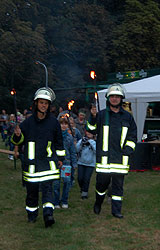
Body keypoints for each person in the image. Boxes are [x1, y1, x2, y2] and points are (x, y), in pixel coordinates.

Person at [11, 87, 65, 228]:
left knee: (48, 191)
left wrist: (60, 159)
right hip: (31, 165)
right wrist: (17, 136)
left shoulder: (53, 122)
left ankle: (48, 215)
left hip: (48, 164)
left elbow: (59, 142)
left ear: (49, 106)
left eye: (46, 103)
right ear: (36, 104)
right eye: (41, 103)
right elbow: (18, 140)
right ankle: (32, 215)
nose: (43, 105)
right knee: (32, 193)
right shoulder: (27, 123)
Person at [87, 83, 137, 219]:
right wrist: (92, 117)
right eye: (112, 96)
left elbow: (133, 135)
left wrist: (128, 149)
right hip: (104, 159)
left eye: (117, 96)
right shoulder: (102, 115)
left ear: (121, 99)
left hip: (120, 159)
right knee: (101, 185)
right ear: (108, 98)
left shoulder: (127, 117)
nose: (115, 99)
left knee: (118, 186)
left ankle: (116, 211)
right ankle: (98, 202)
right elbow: (91, 130)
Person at [53, 117, 77, 209]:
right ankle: (56, 201)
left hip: (66, 162)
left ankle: (64, 200)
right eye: (62, 124)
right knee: (56, 183)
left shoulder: (69, 137)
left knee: (67, 182)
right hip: (56, 162)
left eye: (65, 124)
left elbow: (72, 151)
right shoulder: (55, 136)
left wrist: (74, 163)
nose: (63, 126)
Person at [76, 129, 96, 200]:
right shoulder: (82, 140)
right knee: (80, 178)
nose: (89, 133)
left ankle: (84, 193)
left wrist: (91, 142)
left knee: (86, 179)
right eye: (88, 132)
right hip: (81, 162)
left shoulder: (95, 142)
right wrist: (81, 142)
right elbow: (77, 149)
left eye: (91, 132)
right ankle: (82, 188)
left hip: (90, 164)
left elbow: (96, 150)